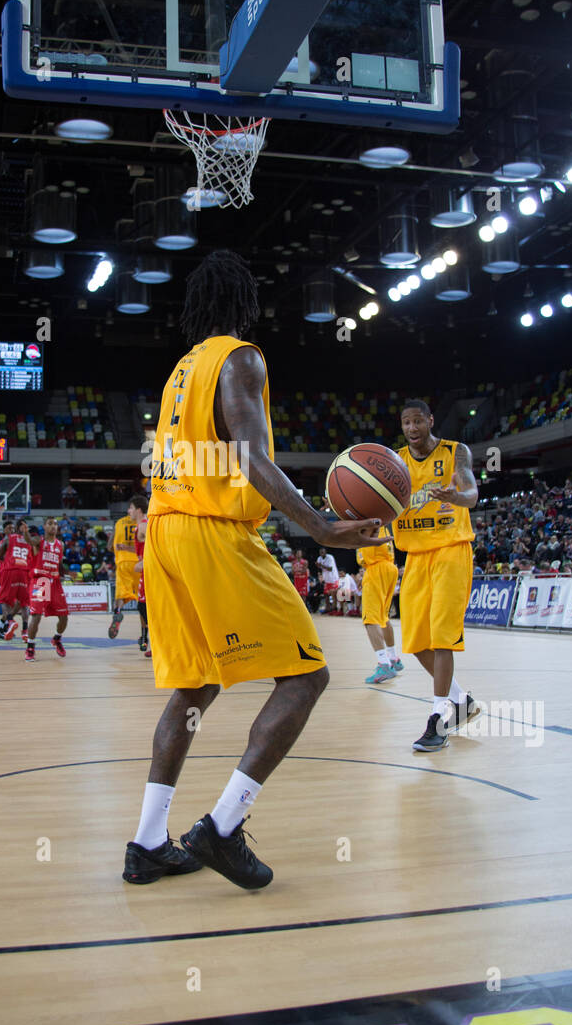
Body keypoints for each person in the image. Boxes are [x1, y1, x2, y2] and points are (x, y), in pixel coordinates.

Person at [122, 250, 381, 890]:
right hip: (212, 533)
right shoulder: (240, 357)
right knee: (305, 676)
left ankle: (148, 842)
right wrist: (319, 526)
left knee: (194, 688)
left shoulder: (182, 369)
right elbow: (251, 458)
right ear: (244, 304)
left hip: (165, 532)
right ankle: (222, 826)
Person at [394, 400, 480, 753]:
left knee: (443, 638)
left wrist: (456, 496)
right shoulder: (394, 460)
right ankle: (461, 701)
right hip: (414, 555)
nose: (412, 428)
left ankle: (438, 720)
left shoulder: (456, 453)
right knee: (416, 642)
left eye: (418, 421)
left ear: (430, 420)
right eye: (406, 423)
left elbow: (472, 494)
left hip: (451, 549)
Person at [357, 528, 402, 683]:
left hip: (376, 569)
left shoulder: (366, 513)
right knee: (383, 617)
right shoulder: (382, 518)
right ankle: (393, 657)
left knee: (370, 619)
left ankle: (384, 664)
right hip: (389, 568)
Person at [25, 518, 68, 661]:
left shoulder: (60, 544)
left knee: (64, 616)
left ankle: (57, 639)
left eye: (55, 524)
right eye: (50, 524)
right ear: (44, 526)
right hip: (40, 581)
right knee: (36, 616)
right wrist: (25, 532)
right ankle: (30, 647)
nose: (53, 526)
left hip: (55, 582)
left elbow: (59, 563)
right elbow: (30, 541)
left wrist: (66, 573)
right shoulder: (39, 541)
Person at [108, 498, 142, 639]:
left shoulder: (119, 523)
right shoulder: (142, 522)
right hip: (140, 563)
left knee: (120, 595)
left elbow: (110, 546)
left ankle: (117, 612)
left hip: (123, 562)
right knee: (143, 600)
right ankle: (144, 635)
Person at [0, 520, 32, 641]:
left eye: (12, 527)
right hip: (23, 572)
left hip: (9, 571)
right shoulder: (30, 541)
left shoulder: (8, 539)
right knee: (22, 603)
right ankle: (23, 630)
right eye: (8, 528)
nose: (10, 530)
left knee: (8, 602)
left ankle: (6, 625)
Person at [134, 512, 151, 658]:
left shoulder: (143, 524)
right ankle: (145, 638)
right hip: (144, 572)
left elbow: (152, 545)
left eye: (131, 508)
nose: (128, 511)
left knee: (145, 607)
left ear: (138, 510)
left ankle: (149, 640)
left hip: (149, 571)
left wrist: (146, 562)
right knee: (141, 606)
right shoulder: (138, 527)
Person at [315, 547, 340, 613]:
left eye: (323, 552)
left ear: (326, 552)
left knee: (333, 594)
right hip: (326, 579)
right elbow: (319, 567)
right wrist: (318, 566)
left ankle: (334, 609)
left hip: (333, 579)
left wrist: (321, 565)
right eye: (320, 552)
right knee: (326, 594)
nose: (321, 553)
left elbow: (330, 569)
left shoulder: (330, 557)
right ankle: (328, 608)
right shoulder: (319, 558)